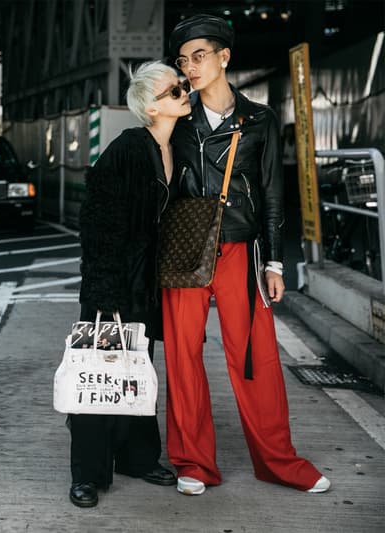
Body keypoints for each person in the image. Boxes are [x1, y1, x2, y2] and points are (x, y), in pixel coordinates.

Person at [163, 14, 331, 496]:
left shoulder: (259, 118)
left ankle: (280, 462)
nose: (190, 67)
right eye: (183, 60)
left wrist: (275, 261)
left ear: (224, 57)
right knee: (183, 356)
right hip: (185, 245)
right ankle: (193, 462)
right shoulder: (177, 115)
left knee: (255, 359)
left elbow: (274, 194)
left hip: (244, 248)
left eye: (199, 56)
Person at [70, 60, 191, 507]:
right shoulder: (125, 150)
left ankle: (137, 458)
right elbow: (97, 224)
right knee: (98, 379)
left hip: (148, 287)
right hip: (113, 286)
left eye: (181, 87)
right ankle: (87, 472)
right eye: (174, 91)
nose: (184, 92)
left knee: (138, 371)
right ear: (151, 108)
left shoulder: (177, 146)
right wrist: (105, 294)